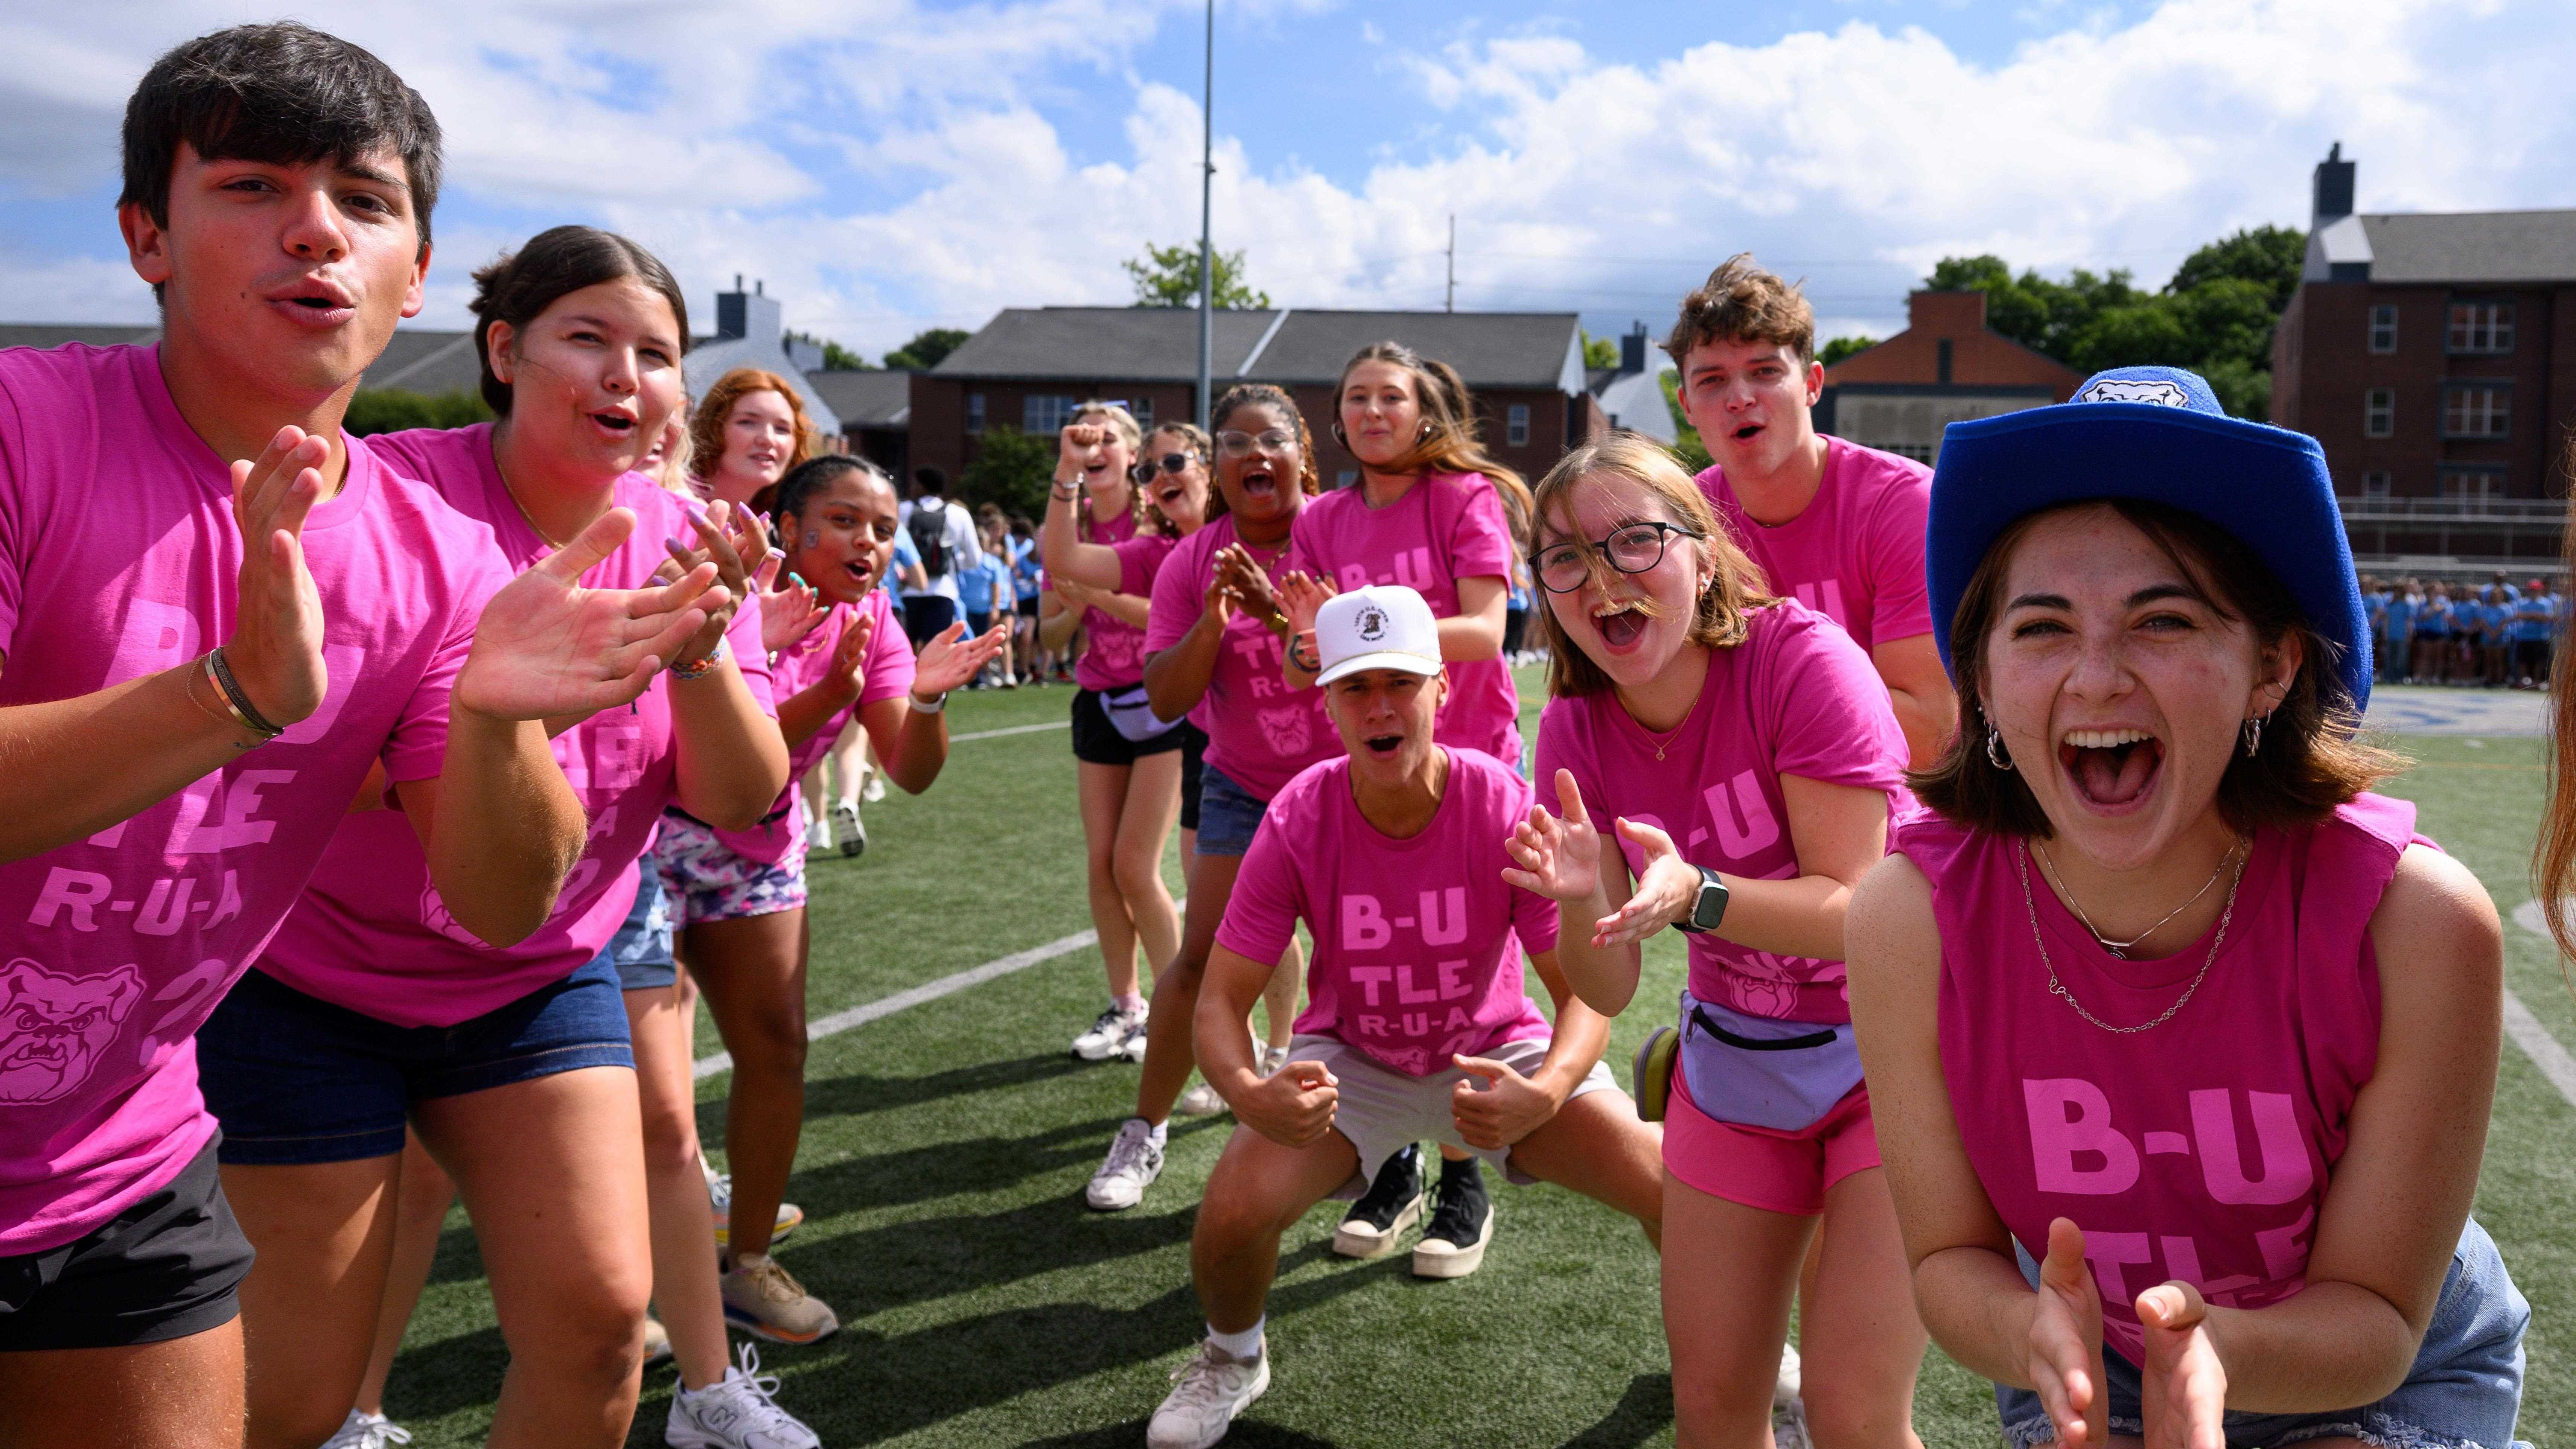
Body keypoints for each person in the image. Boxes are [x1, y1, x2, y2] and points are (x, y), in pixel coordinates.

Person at [0, 23, 718, 1444]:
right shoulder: (28, 427)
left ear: (418, 279)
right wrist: (228, 695)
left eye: (367, 203)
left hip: (113, 1156)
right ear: (149, 236)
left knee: (341, 1397)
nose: (316, 230)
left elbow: (504, 900)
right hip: (272, 1032)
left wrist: (508, 727)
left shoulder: (442, 562)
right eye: (255, 185)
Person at [197, 226, 812, 1449]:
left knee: (595, 1335)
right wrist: (465, 724)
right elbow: (289, 753)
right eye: (586, 337)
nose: (623, 374)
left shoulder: (683, 536)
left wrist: (697, 658)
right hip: (317, 977)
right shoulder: (381, 496)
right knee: (294, 1401)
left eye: (656, 352)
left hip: (539, 977)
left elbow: (742, 796)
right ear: (503, 348)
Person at [1848, 365, 2529, 1449]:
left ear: (2271, 665)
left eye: (2161, 619)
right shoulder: (1905, 918)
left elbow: (2381, 1314)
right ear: (1977, 676)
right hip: (2083, 1361)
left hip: (2367, 1373)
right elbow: (1946, 1261)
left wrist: (2208, 1350)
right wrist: (2034, 1334)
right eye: (2040, 627)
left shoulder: (2414, 921)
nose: (2098, 675)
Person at [1143, 585, 1663, 1449]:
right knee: (1231, 1211)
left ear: (1441, 690)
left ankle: (1749, 1353)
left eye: (1399, 682)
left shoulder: (1499, 802)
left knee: (1677, 1187)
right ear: (1328, 702)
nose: (1379, 707)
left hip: (1494, 1050)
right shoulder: (1298, 814)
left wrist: (1549, 1091)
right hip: (1354, 1061)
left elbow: (1579, 997)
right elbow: (1222, 1000)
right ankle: (1232, 1357)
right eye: (1355, 687)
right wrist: (1245, 1089)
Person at [1503, 432, 1926, 1447]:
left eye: (1633, 540)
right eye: (1564, 558)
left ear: (1702, 552)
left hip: (1897, 1054)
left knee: (1855, 1414)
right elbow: (1606, 986)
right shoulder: (1571, 726)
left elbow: (1857, 911)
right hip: (1735, 1062)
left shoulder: (1803, 660)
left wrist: (1699, 896)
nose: (1601, 576)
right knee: (1712, 1415)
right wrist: (1575, 899)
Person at [658, 453, 1007, 1344]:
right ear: (790, 528)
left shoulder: (875, 615)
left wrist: (924, 704)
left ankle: (745, 1267)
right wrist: (827, 694)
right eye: (846, 520)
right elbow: (728, 764)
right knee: (646, 1092)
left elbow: (908, 771)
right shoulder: (736, 587)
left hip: (757, 852)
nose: (870, 541)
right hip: (645, 846)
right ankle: (630, 1287)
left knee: (776, 1048)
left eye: (884, 528)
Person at [1275, 340, 1536, 1272]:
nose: (1373, 410)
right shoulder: (1323, 517)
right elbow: (1298, 657)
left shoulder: (1462, 499)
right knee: (1376, 957)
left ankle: (1461, 1172)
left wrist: (1356, 621)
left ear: (1423, 412)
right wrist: (1315, 646)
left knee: (1463, 969)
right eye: (1355, 397)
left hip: (1467, 758)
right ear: (1337, 418)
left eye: (1391, 396)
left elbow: (1484, 624)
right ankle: (1393, 1162)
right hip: (1370, 768)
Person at [1086, 384, 1340, 1212]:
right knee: (1200, 961)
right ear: (1217, 466)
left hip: (1347, 781)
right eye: (1235, 442)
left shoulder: (1340, 531)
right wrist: (1213, 620)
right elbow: (1163, 695)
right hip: (1239, 782)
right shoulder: (1195, 559)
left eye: (1272, 439)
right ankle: (1144, 1128)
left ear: (1303, 447)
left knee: (1367, 961)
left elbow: (1366, 663)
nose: (1255, 455)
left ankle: (1395, 1152)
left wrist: (1277, 614)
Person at [1670, 254, 1958, 767]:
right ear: (1687, 406)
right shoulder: (1682, 522)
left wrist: (1750, 712)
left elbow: (1925, 732)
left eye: (1764, 371)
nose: (1739, 397)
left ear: (1812, 384)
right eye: (1712, 380)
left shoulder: (1904, 504)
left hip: (1899, 810)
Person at [1041, 405, 1191, 1062]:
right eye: (1082, 437)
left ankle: (1176, 1006)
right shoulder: (1065, 525)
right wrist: (1072, 606)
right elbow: (1047, 635)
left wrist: (1097, 597)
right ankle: (1126, 1005)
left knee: (1135, 864)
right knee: (1101, 867)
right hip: (1098, 700)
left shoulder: (1153, 519)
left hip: (1160, 701)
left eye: (1109, 437)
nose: (1094, 446)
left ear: (1133, 453)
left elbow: (1169, 609)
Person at [690, 367, 816, 512]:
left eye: (782, 429)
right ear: (712, 428)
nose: (768, 439)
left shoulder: (778, 524)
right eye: (748, 422)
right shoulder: (674, 504)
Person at [900, 464, 984, 649]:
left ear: (921, 486)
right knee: (936, 649)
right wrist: (950, 563)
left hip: (908, 590)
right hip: (944, 590)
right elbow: (975, 559)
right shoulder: (958, 513)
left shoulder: (903, 510)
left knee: (905, 648)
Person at [2514, 577, 2557, 688]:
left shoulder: (2546, 603)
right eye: (2532, 590)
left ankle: (2537, 681)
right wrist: (2535, 616)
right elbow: (2519, 616)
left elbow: (2546, 618)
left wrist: (2530, 616)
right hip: (2524, 637)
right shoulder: (2522, 602)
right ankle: (2523, 681)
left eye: (2536, 590)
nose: (2534, 592)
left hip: (2540, 636)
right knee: (2523, 660)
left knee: (2539, 661)